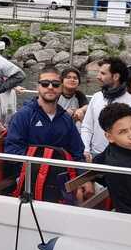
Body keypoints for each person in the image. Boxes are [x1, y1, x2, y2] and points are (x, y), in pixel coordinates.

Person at [5, 65, 86, 203]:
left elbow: (77, 152)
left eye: (55, 84)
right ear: (38, 87)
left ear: (60, 88)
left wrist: (83, 179)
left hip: (61, 177)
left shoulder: (66, 119)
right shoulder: (24, 116)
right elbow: (12, 150)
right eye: (45, 83)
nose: (50, 87)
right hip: (30, 177)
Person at [80, 56, 131, 161]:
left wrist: (130, 156)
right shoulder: (96, 97)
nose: (97, 77)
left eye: (102, 73)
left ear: (115, 76)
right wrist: (86, 150)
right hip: (94, 155)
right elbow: (87, 127)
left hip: (123, 160)